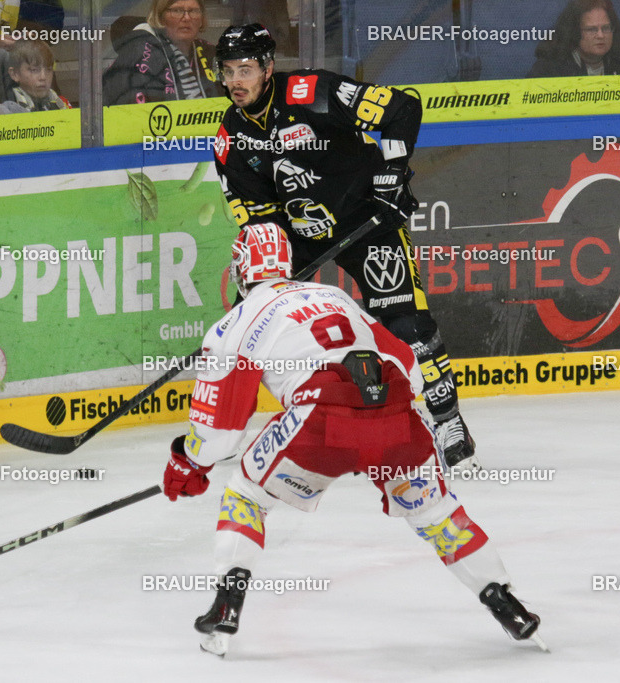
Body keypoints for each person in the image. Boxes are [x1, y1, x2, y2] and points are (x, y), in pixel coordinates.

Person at [162, 223, 545, 657]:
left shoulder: (235, 323)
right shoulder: (335, 297)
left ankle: (227, 604)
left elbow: (219, 435)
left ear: (239, 270)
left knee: (247, 496)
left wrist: (188, 462)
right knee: (438, 515)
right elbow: (410, 369)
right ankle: (506, 603)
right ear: (286, 264)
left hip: (320, 424)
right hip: (396, 416)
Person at [210, 24, 477, 471]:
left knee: (408, 324)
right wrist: (270, 279)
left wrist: (391, 176)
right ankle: (226, 429)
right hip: (298, 236)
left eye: (246, 69)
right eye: (228, 71)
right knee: (247, 327)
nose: (236, 81)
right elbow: (257, 216)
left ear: (268, 69)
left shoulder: (310, 92)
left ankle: (448, 418)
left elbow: (401, 109)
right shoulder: (231, 139)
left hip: (366, 219)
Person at [102, 0, 220, 105]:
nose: (187, 18)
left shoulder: (209, 51)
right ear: (160, 17)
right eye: (177, 10)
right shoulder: (140, 53)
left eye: (194, 11)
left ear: (202, 19)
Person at [528, 0, 620, 77]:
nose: (600, 35)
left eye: (606, 28)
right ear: (574, 32)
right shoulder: (548, 71)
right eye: (592, 29)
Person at [6, 39, 70, 112]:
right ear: (14, 74)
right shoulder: (9, 105)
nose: (43, 77)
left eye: (48, 70)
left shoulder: (56, 99)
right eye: (34, 70)